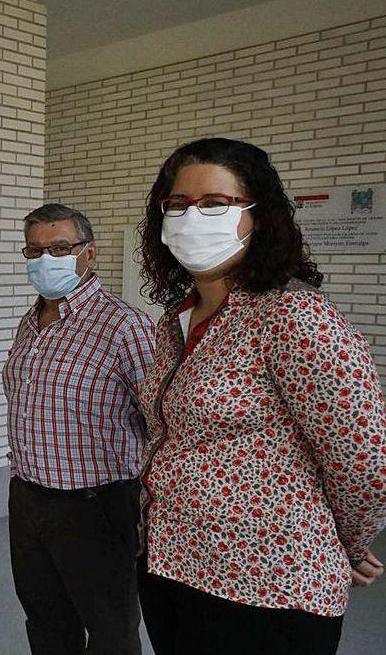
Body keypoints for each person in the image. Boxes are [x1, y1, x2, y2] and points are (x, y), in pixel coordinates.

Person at [136, 137, 386, 654]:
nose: (191, 217)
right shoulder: (174, 321)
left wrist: (350, 541)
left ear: (259, 217)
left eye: (215, 204)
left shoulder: (293, 316)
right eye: (178, 205)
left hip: (266, 582)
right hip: (172, 562)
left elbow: (362, 458)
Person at [3, 203, 155, 655]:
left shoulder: (124, 326)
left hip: (97, 508)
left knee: (110, 633)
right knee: (46, 623)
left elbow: (161, 421)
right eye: (35, 250)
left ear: (89, 254)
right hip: (28, 501)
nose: (46, 259)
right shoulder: (30, 323)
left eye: (60, 247)